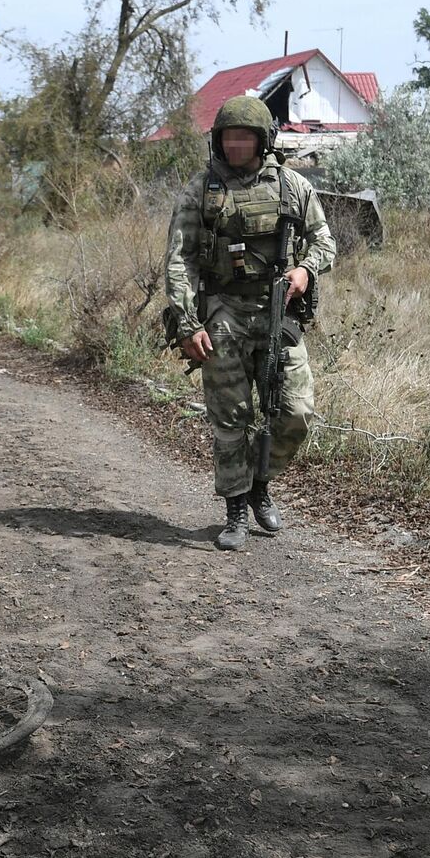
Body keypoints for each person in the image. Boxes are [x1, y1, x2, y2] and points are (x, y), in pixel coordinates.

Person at [163, 95, 337, 551]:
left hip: (278, 313)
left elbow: (323, 241)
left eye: (245, 136)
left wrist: (305, 270)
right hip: (222, 315)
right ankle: (236, 509)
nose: (236, 144)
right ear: (217, 141)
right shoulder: (200, 191)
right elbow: (179, 260)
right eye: (228, 136)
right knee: (231, 419)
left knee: (296, 411)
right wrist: (185, 323)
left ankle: (261, 482)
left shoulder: (293, 187)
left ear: (263, 140)